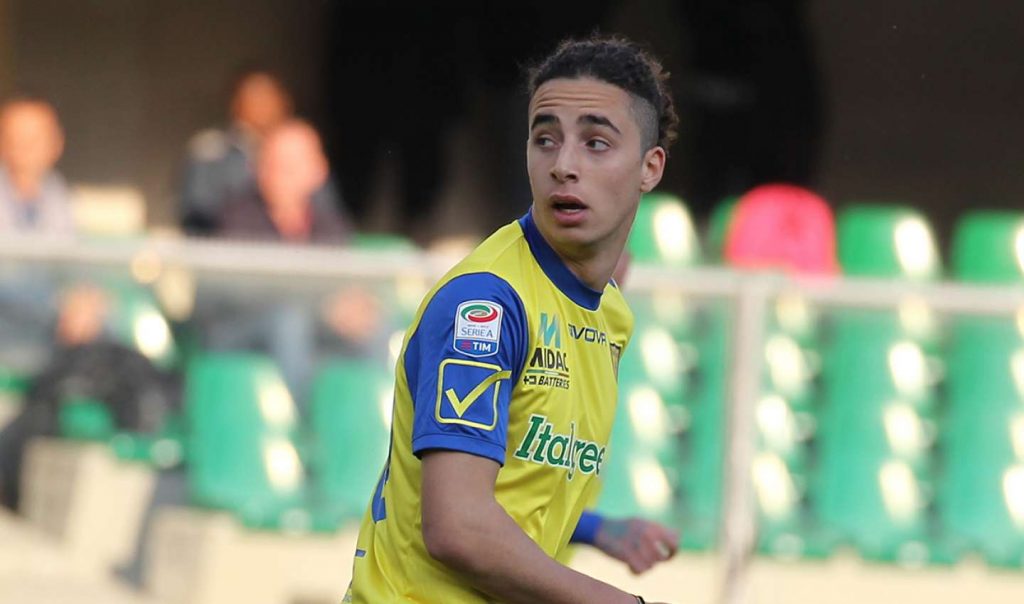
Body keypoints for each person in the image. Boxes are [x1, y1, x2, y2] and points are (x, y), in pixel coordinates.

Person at [345, 35, 679, 604]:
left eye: (596, 143)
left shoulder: (609, 316)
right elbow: (458, 526)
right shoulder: (486, 306)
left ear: (650, 168)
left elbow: (511, 478)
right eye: (544, 139)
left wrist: (594, 528)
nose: (563, 165)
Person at [179, 69, 296, 235]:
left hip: (291, 249)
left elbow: (325, 213)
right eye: (255, 97)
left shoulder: (300, 151)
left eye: (269, 96)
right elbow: (197, 213)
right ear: (236, 103)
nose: (263, 106)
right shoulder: (212, 152)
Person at [217, 119, 350, 244]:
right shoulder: (237, 224)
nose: (278, 175)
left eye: (290, 166)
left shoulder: (333, 227)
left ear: (319, 170)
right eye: (271, 163)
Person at [0, 97, 74, 237]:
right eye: (15, 138)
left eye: (34, 140)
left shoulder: (60, 194)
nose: (24, 148)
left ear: (57, 143)